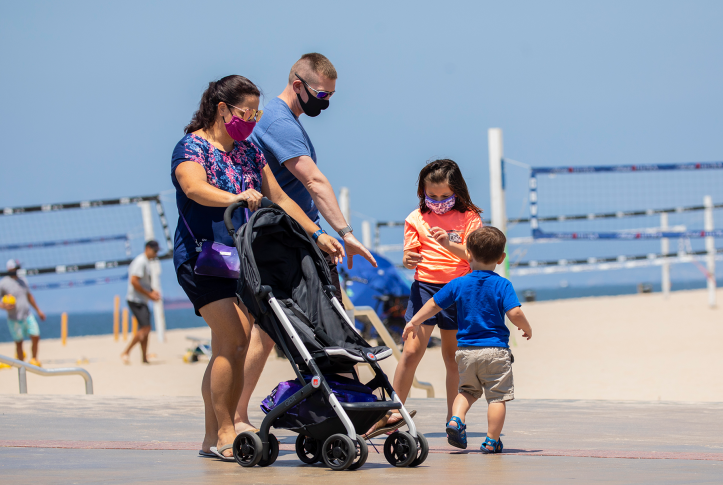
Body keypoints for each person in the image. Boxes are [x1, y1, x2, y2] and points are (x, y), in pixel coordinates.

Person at [172, 75, 344, 460]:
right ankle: (226, 431)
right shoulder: (192, 147)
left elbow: (280, 197)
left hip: (243, 258)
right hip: (203, 257)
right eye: (245, 112)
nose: (251, 120)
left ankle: (210, 437)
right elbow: (193, 187)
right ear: (222, 109)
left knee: (231, 345)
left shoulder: (249, 150)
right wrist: (236, 196)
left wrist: (318, 234)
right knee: (232, 338)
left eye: (256, 113)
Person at [236, 53, 377, 432]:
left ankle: (352, 404)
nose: (325, 102)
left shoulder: (288, 121)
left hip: (295, 239)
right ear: (297, 84)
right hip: (291, 241)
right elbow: (313, 182)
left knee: (273, 332)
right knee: (316, 324)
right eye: (320, 94)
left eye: (331, 96)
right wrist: (346, 235)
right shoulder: (280, 123)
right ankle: (352, 406)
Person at [366, 159, 483, 438]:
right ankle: (395, 411)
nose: (439, 201)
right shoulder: (415, 218)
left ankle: (453, 418)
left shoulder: (469, 218)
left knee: (452, 357)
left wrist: (448, 244)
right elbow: (409, 256)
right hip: (424, 290)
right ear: (422, 192)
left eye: (445, 196)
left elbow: (475, 257)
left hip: (458, 291)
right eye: (432, 196)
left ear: (458, 191)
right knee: (410, 353)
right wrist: (408, 258)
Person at [402, 226, 532, 453]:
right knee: (497, 398)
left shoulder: (458, 283)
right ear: (501, 258)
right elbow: (515, 313)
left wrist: (414, 321)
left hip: (465, 352)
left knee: (467, 392)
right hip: (495, 351)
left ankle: (456, 419)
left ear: (468, 254)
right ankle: (492, 440)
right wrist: (526, 327)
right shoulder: (502, 284)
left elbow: (434, 304)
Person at [120, 240, 161, 365]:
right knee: (145, 328)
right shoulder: (140, 261)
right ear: (148, 248)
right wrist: (149, 294)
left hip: (142, 299)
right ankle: (126, 352)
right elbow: (134, 281)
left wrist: (152, 291)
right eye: (154, 251)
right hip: (135, 300)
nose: (156, 254)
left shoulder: (146, 262)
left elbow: (143, 282)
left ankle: (144, 357)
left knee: (146, 329)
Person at [0, 259, 46, 366]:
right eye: (16, 268)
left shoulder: (23, 280)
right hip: (14, 318)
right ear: (11, 269)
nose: (18, 270)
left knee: (35, 336)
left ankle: (34, 360)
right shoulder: (3, 283)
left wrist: (39, 311)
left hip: (27, 314)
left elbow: (29, 296)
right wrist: (4, 306)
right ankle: (22, 366)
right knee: (19, 343)